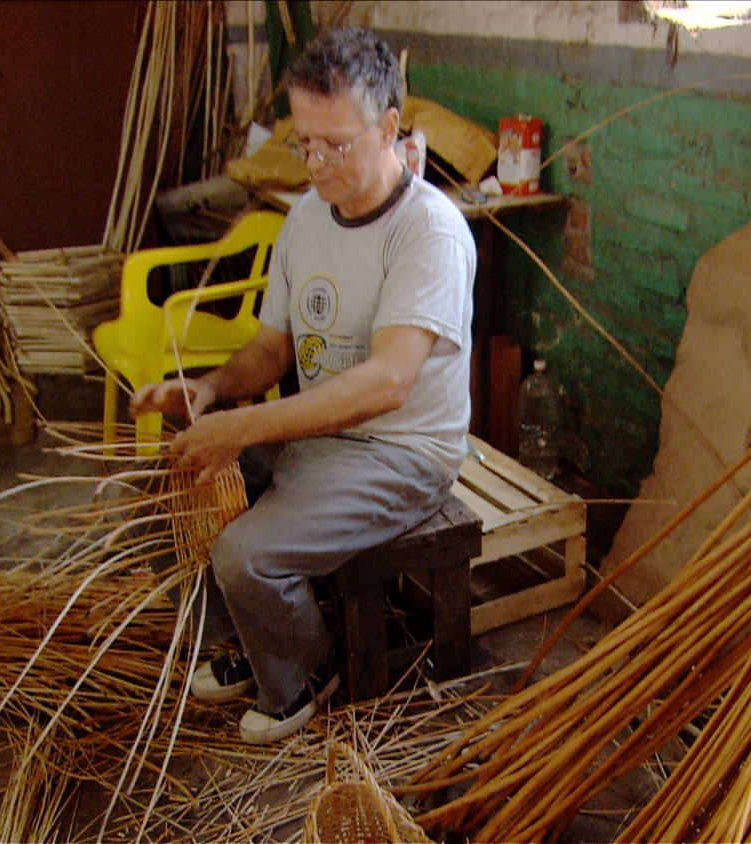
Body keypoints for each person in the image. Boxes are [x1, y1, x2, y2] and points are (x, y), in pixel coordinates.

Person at [130, 25, 476, 744]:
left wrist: (249, 427)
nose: (315, 162)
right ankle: (244, 643)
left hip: (401, 454)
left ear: (388, 128)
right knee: (181, 476)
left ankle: (300, 678)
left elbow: (387, 384)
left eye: (336, 144)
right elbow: (267, 349)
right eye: (304, 143)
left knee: (245, 552)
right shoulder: (306, 219)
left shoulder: (429, 233)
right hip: (320, 438)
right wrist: (211, 390)